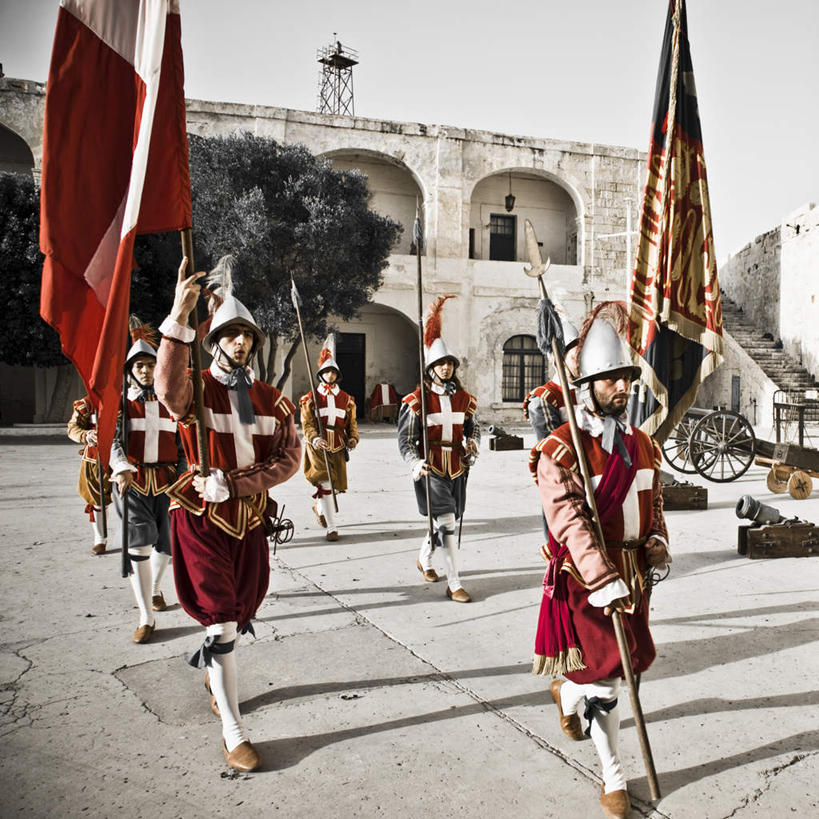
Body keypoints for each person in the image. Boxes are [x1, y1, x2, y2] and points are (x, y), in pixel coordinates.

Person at [155, 256, 302, 773]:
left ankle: (212, 667)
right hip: (198, 519)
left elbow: (289, 459)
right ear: (214, 338)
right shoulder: (194, 387)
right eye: (231, 334)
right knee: (221, 621)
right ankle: (233, 731)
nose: (240, 342)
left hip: (248, 519)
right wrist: (178, 316)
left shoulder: (271, 398)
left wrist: (236, 483)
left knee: (238, 617)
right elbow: (167, 393)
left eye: (248, 335)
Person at [529, 302, 671, 819]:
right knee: (609, 678)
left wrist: (658, 540)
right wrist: (600, 576)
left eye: (626, 380)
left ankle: (568, 694)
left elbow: (653, 504)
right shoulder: (560, 449)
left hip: (635, 576)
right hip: (587, 580)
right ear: (585, 385)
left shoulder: (642, 443)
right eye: (611, 380)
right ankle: (613, 774)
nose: (623, 388)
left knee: (620, 667)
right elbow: (567, 521)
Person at [398, 294, 480, 603]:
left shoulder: (464, 399)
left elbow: (472, 430)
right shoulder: (417, 400)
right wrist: (413, 462)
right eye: (440, 364)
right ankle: (454, 582)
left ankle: (424, 558)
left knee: (446, 521)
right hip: (429, 466)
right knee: (446, 522)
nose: (446, 368)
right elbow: (405, 439)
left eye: (449, 364)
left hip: (456, 466)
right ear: (431, 368)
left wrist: (472, 445)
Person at [109, 317, 183, 644]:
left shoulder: (171, 402)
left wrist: (185, 477)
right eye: (138, 365)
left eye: (149, 365)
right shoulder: (119, 404)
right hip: (134, 483)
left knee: (167, 544)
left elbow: (184, 445)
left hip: (168, 482)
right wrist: (120, 465)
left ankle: (154, 589)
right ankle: (146, 617)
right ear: (129, 370)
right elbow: (109, 441)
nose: (144, 370)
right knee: (139, 543)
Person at [300, 334, 359, 541]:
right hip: (317, 445)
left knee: (333, 486)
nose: (330, 375)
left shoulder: (348, 399)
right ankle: (332, 528)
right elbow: (306, 424)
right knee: (325, 484)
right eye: (326, 372)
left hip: (338, 445)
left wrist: (353, 439)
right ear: (320, 374)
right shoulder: (310, 399)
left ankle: (319, 507)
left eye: (333, 372)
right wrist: (315, 438)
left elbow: (352, 424)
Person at [522, 314, 581, 442]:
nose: (581, 362)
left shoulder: (593, 389)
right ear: (559, 361)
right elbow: (553, 446)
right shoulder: (544, 398)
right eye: (576, 357)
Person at [67, 395, 112, 555]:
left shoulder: (133, 398)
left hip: (133, 457)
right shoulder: (87, 403)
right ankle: (100, 538)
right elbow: (72, 429)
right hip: (96, 459)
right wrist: (86, 435)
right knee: (97, 499)